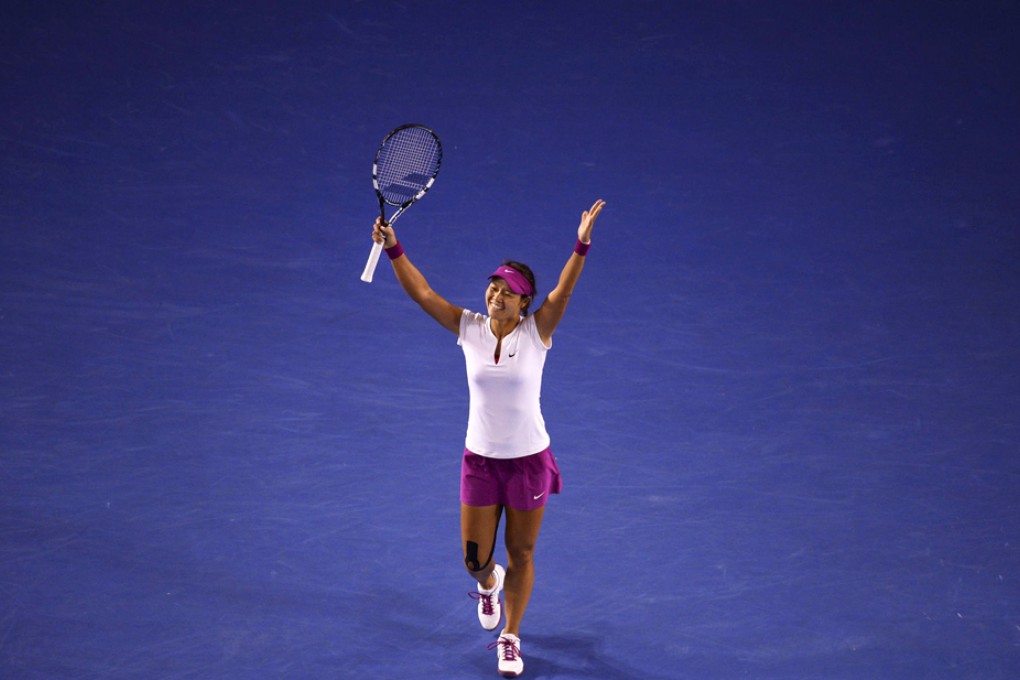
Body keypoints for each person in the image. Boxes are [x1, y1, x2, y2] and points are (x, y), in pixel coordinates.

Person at [370, 199, 605, 678]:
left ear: (524, 302)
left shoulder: (538, 332)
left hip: (528, 462)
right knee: (475, 559)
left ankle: (511, 637)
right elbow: (422, 293)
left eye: (508, 292)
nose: (496, 295)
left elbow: (563, 291)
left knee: (522, 553)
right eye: (494, 287)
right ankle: (487, 585)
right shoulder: (469, 328)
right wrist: (394, 248)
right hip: (479, 461)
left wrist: (581, 244)